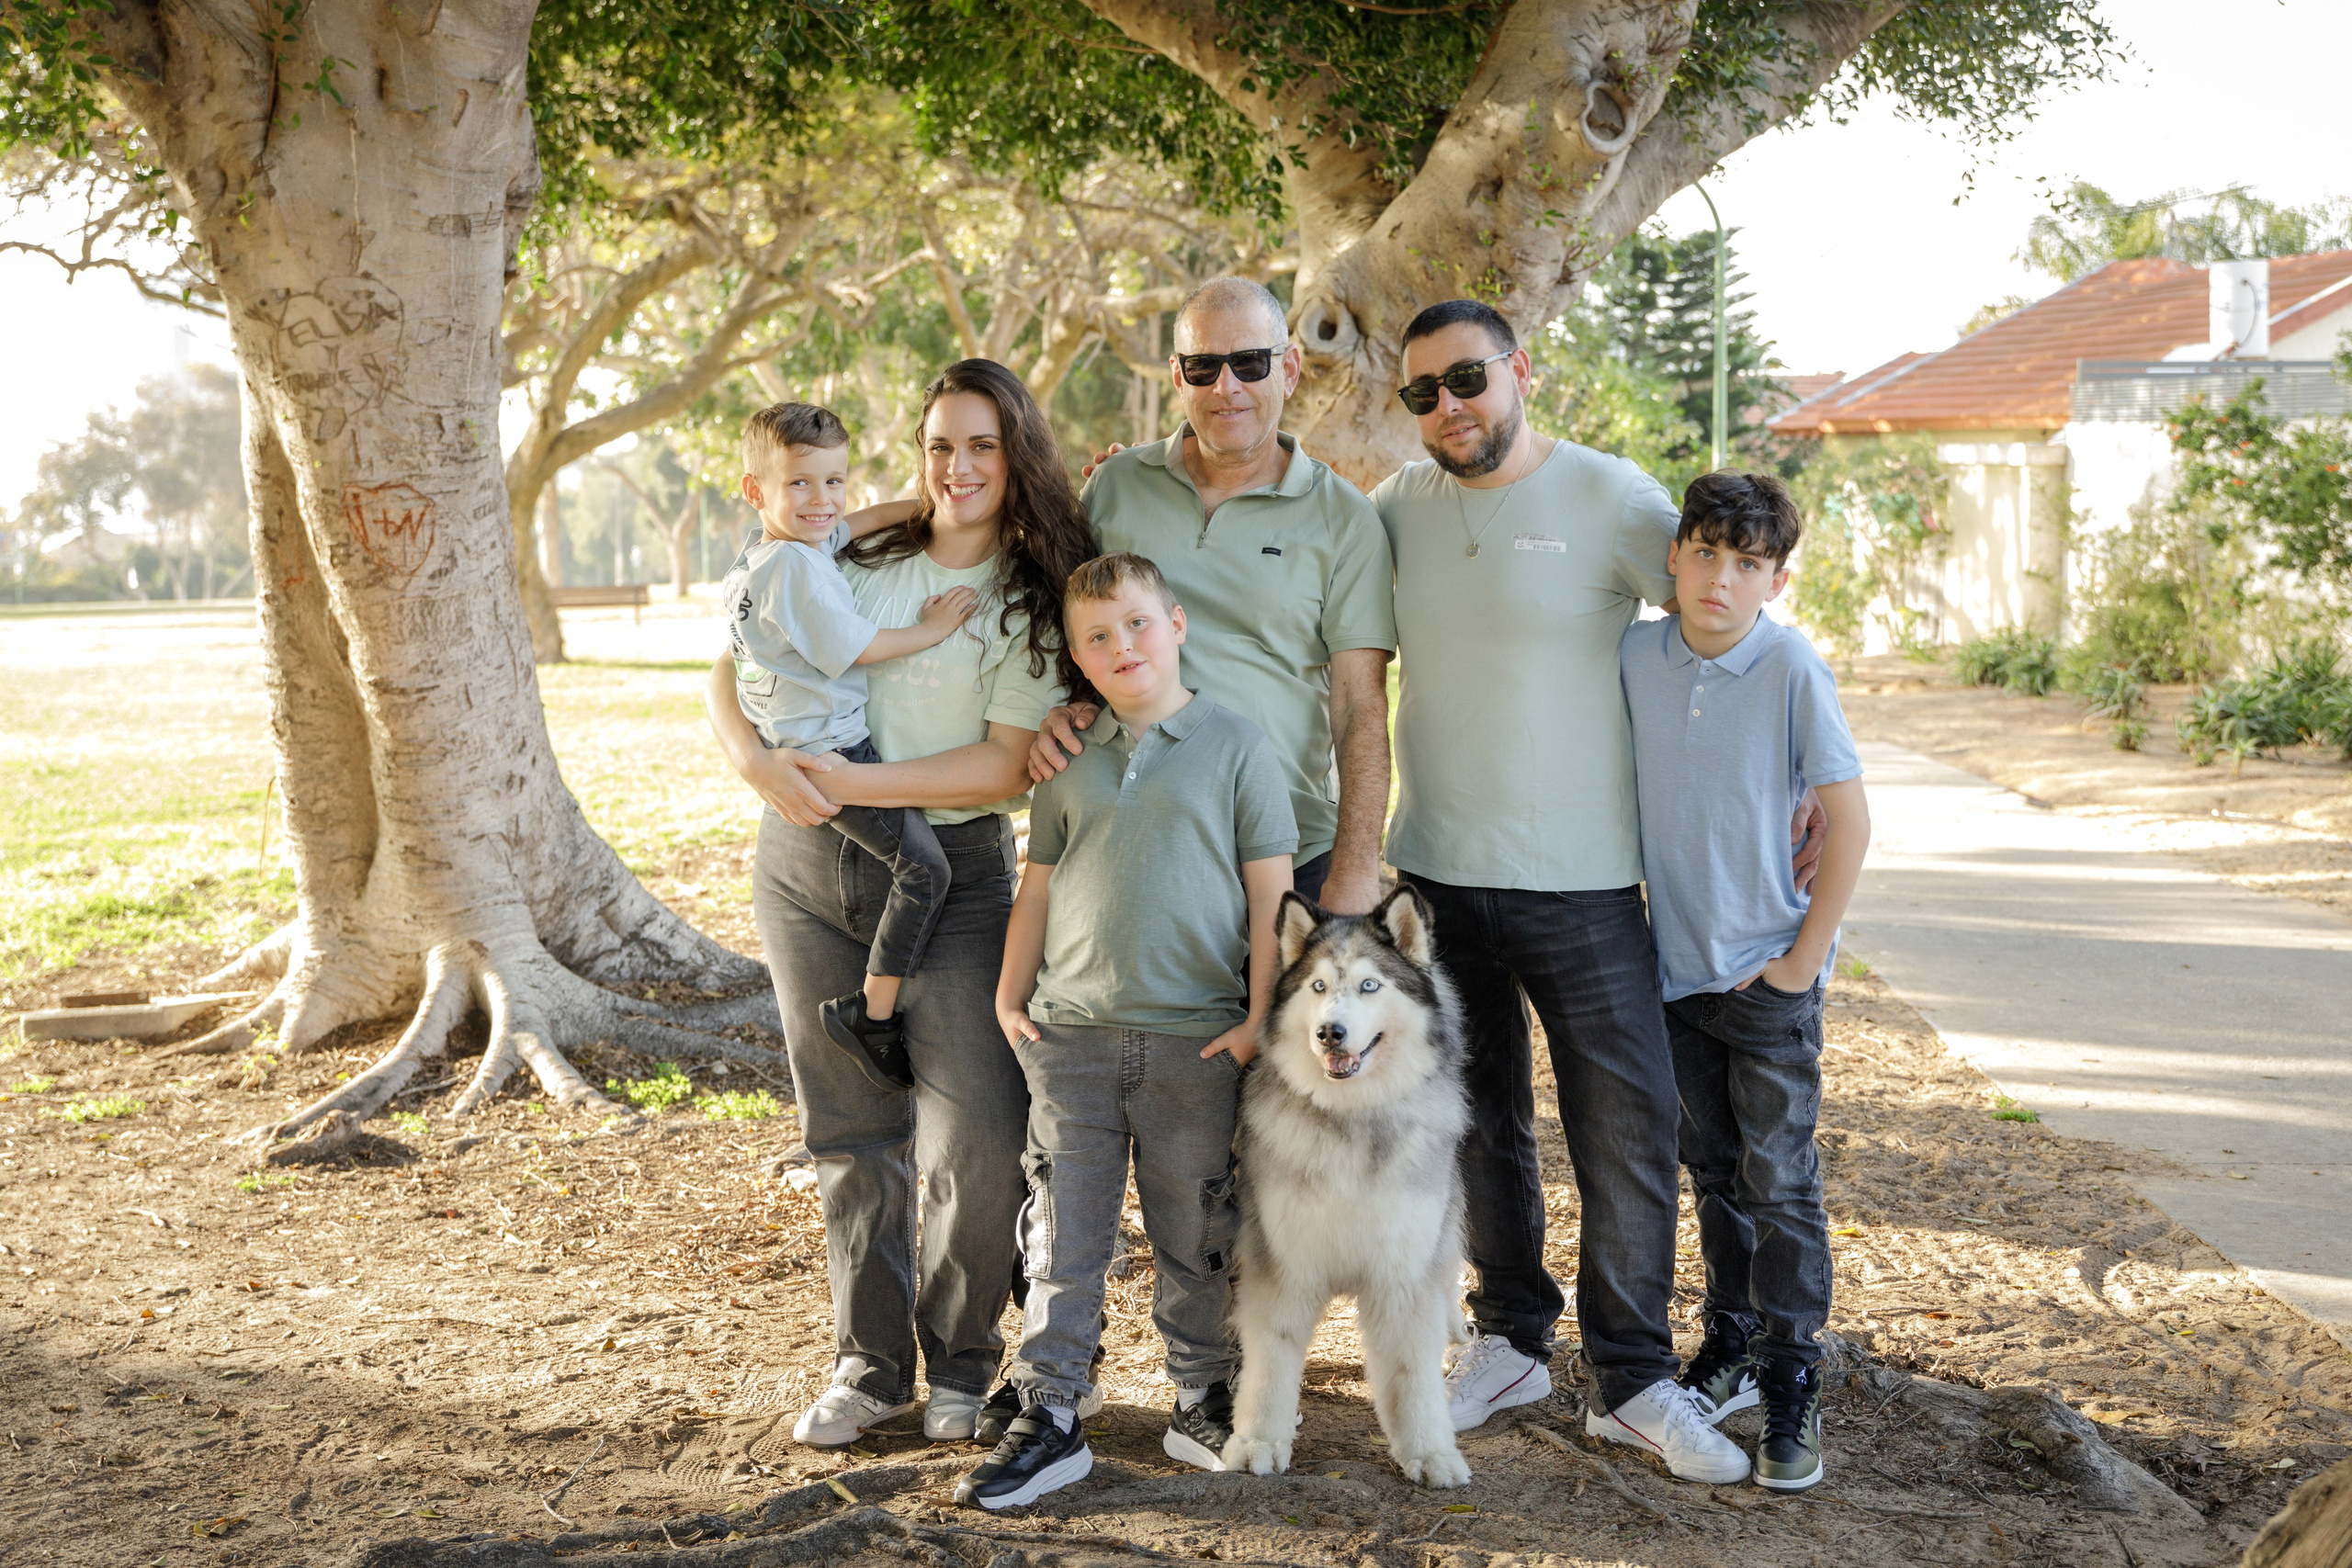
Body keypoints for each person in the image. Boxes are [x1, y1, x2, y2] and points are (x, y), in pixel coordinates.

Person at [1370, 298, 1796, 1485]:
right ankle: (1510, 1338)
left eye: (1466, 379)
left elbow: (1735, 608)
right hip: (1436, 874)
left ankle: (1634, 1380)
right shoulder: (1396, 506)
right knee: (1477, 1123)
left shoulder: (1612, 497)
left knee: (1627, 1130)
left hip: (1586, 883)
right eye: (1421, 393)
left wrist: (1803, 779)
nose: (1448, 407)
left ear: (1519, 369)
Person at [704, 360, 1097, 1450]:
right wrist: (753, 762)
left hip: (953, 874)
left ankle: (964, 1360)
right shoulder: (851, 549)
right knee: (850, 1130)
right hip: (804, 865)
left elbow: (1002, 765)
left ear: (1015, 453)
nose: (957, 467)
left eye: (982, 445)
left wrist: (842, 780)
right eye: (938, 445)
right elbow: (732, 665)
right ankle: (869, 1367)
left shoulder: (1028, 595)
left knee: (978, 1134)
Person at [957, 551, 1295, 1511]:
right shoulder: (1067, 758)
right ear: (1077, 656)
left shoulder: (1238, 745)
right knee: (1064, 1234)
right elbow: (1038, 886)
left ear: (1176, 624)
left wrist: (1257, 1022)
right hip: (1071, 1038)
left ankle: (1202, 1393)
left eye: (1138, 623)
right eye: (1097, 637)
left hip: (1196, 1041)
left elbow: (1271, 897)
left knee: (1197, 1229)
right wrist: (1010, 1000)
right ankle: (1052, 1407)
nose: (1122, 646)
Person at [1620, 472, 1870, 1493]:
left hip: (1767, 972)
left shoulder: (1790, 667)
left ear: (1775, 580)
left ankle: (1791, 1372)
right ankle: (1728, 1341)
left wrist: (1800, 963)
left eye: (1748, 563)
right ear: (1674, 557)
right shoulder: (1636, 655)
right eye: (1706, 553)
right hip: (1674, 971)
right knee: (1714, 1170)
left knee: (1781, 1181)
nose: (1721, 579)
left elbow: (1850, 821)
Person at [1027, 276, 1395, 916]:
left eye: (1250, 363)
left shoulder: (1345, 518)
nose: (1227, 387)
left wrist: (1358, 867)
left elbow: (1359, 706)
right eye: (1204, 367)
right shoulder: (1114, 485)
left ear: (1290, 369)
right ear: (1178, 377)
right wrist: (1062, 710)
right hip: (1131, 842)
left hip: (1288, 853)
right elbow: (1080, 632)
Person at [719, 400, 978, 1088]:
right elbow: (858, 647)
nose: (823, 500)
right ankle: (872, 1012)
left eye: (834, 481)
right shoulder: (796, 570)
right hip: (831, 756)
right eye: (800, 483)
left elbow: (850, 525)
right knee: (925, 871)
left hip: (795, 740)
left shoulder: (766, 552)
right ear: (756, 490)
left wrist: (925, 504)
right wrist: (932, 628)